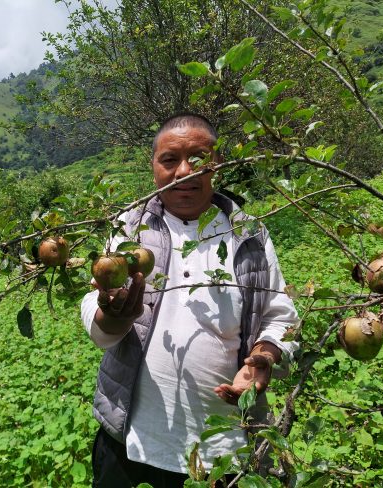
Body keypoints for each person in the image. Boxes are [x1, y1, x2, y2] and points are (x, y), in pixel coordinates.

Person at [80, 113, 299, 487]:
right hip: (131, 443)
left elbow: (280, 317)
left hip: (226, 450)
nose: (185, 171)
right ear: (154, 168)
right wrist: (113, 316)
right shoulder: (129, 229)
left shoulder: (250, 235)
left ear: (217, 164)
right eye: (169, 160)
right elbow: (95, 315)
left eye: (198, 159)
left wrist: (264, 355)